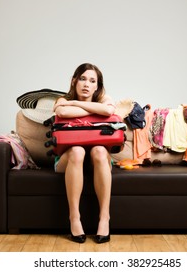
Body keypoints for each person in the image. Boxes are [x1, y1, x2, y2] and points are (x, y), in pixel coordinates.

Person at [53, 63, 115, 243]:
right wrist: (92, 110)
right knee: (78, 151)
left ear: (97, 86)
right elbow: (62, 112)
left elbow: (109, 110)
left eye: (92, 81)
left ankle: (104, 218)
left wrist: (75, 104)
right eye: (82, 79)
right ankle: (74, 217)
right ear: (74, 81)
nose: (87, 84)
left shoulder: (104, 98)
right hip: (68, 159)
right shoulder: (62, 100)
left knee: (99, 151)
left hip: (98, 159)